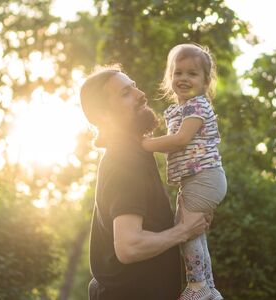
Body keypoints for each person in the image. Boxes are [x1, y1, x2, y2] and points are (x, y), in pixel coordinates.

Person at [80, 65, 210, 300]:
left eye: (134, 87)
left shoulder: (134, 152)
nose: (141, 95)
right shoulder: (124, 160)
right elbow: (130, 246)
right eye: (125, 93)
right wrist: (184, 230)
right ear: (105, 115)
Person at [141, 43, 226, 300]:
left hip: (205, 177)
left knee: (185, 229)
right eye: (178, 73)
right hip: (196, 180)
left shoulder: (197, 106)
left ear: (205, 81)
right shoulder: (180, 109)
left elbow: (180, 140)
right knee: (192, 230)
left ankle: (198, 286)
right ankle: (208, 289)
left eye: (192, 74)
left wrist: (144, 144)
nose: (184, 79)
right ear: (170, 77)